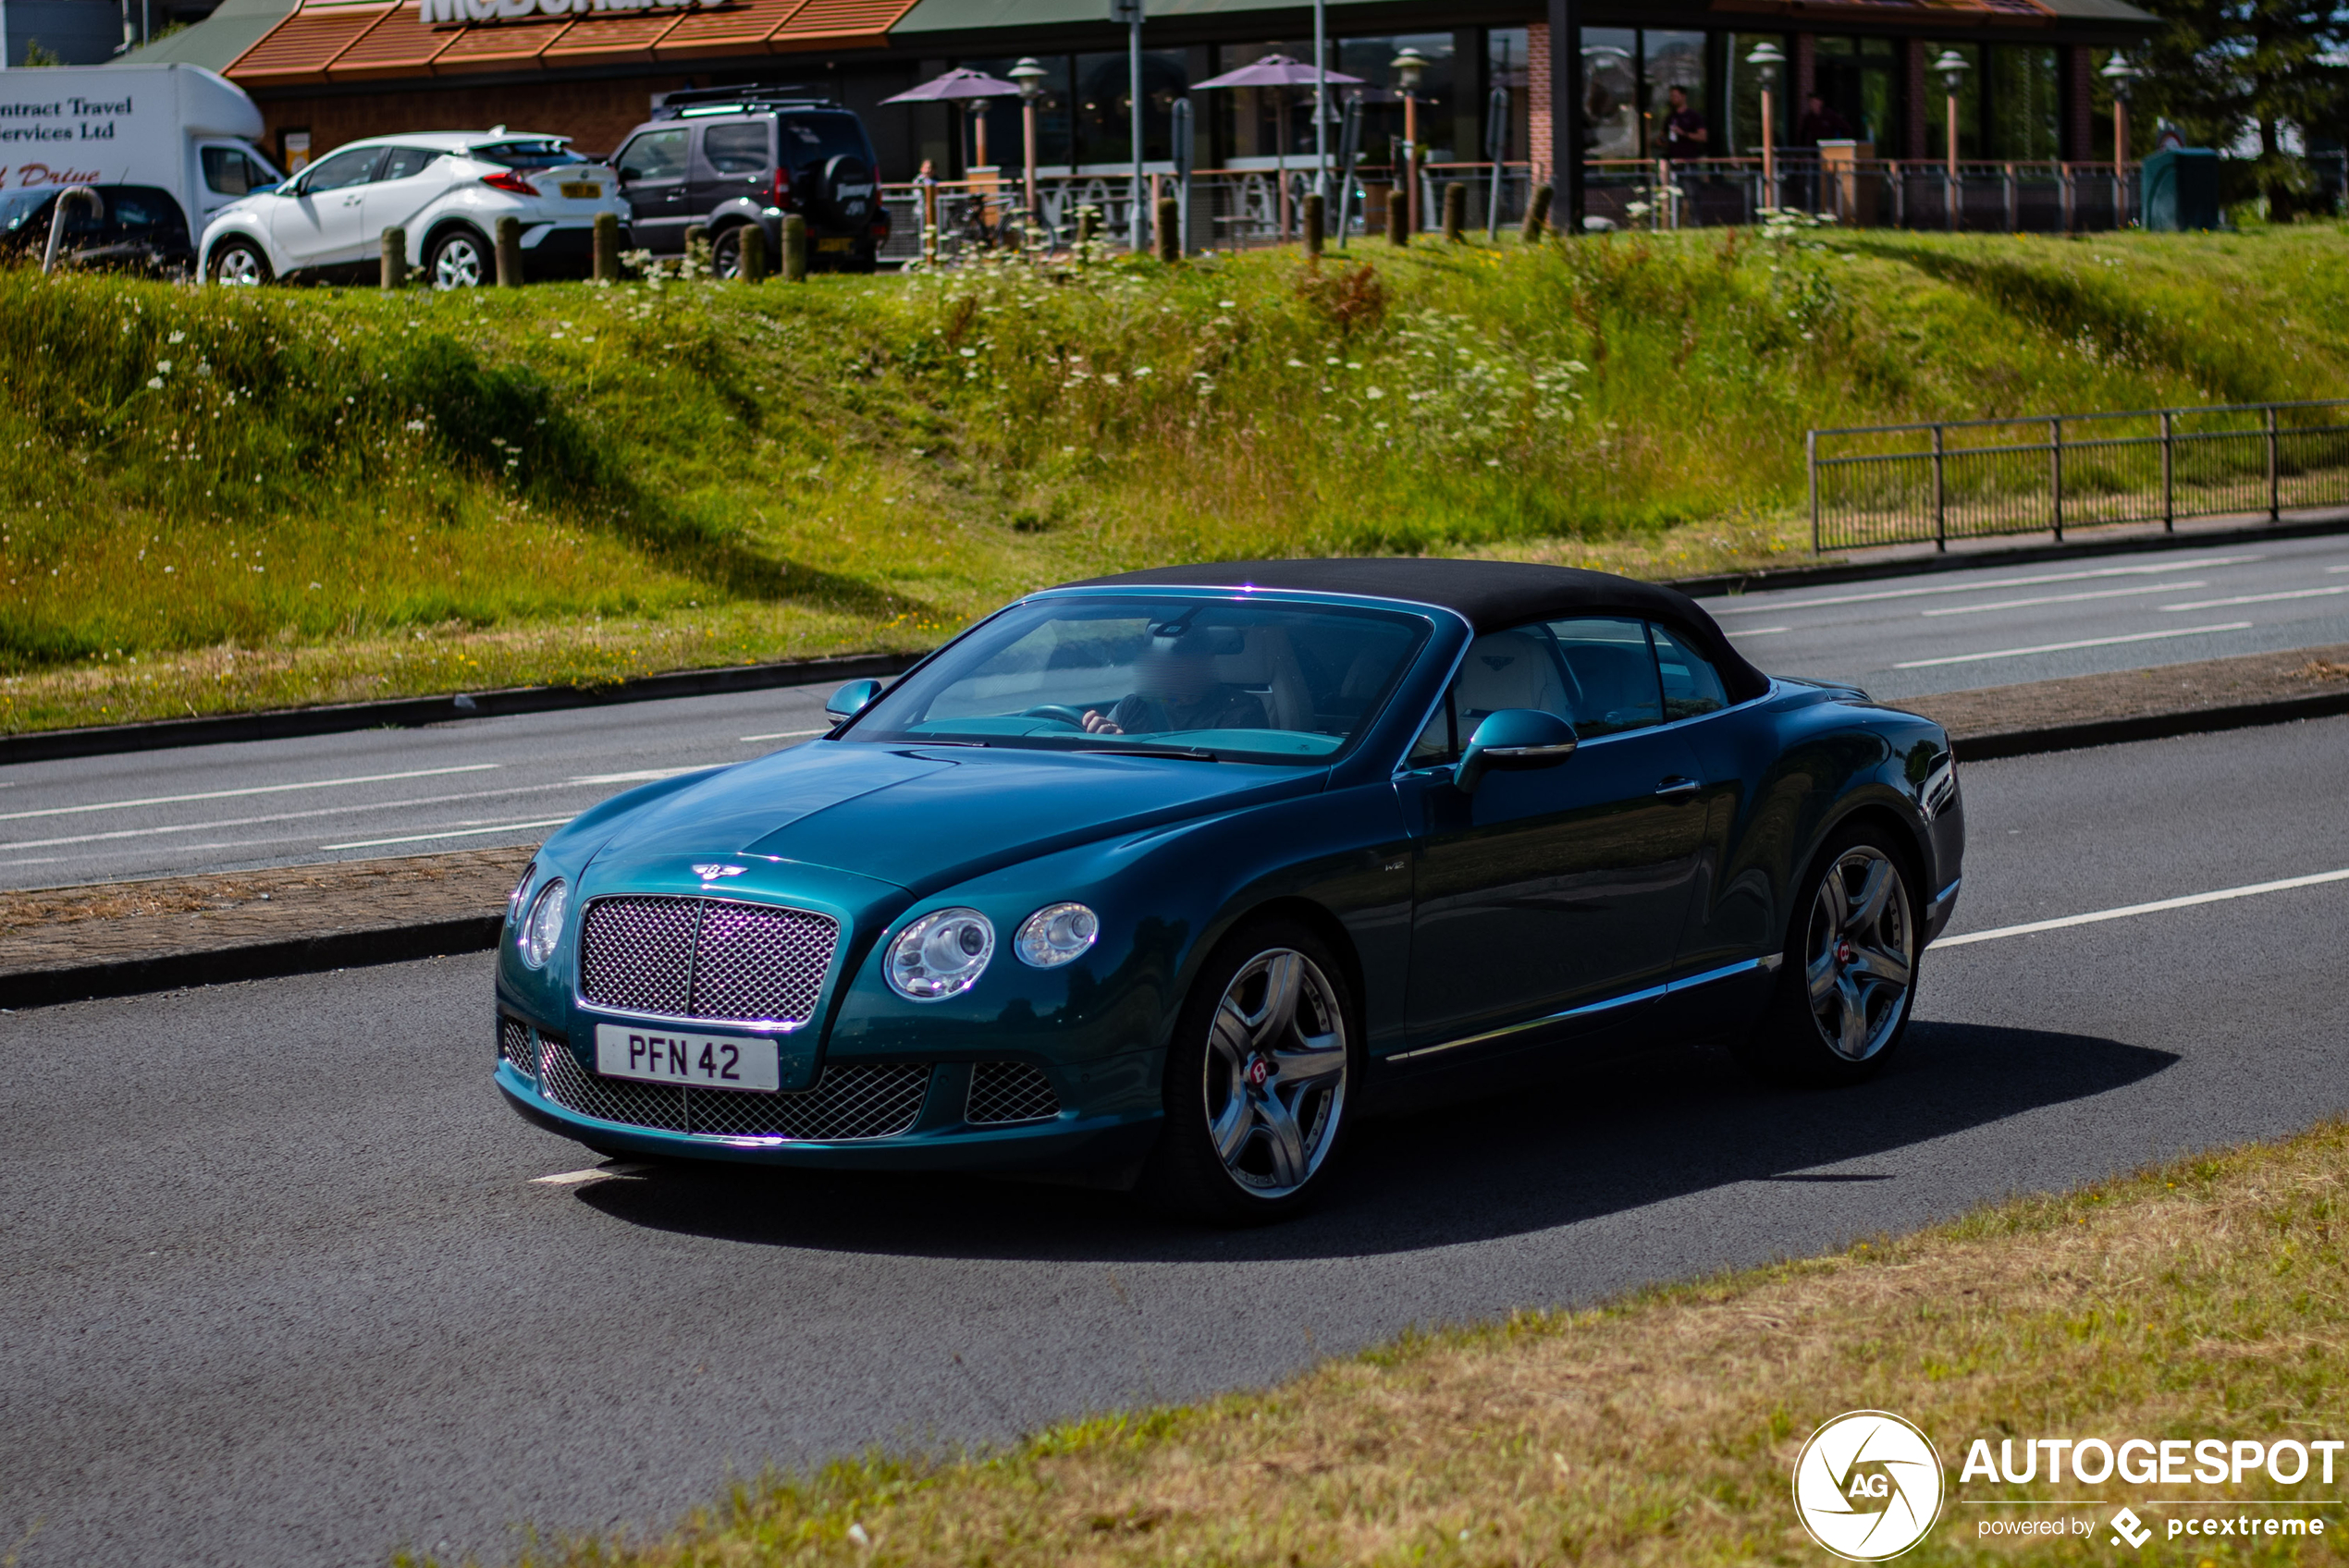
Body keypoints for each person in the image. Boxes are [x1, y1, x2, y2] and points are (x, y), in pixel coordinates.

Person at [1082, 629, 1268, 735]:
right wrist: (1103, 735)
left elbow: (1225, 778)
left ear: (1205, 660)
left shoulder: (1241, 711)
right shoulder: (1133, 707)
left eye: (1179, 657)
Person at [1661, 84, 1709, 162]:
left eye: (1675, 96)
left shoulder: (1693, 116)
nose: (1673, 99)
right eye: (1671, 96)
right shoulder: (1670, 117)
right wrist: (1663, 140)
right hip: (1673, 159)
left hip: (1690, 159)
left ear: (1683, 96)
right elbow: (1662, 136)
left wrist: (1683, 133)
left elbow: (1703, 137)